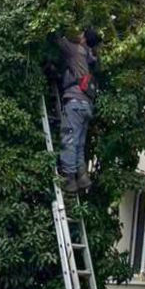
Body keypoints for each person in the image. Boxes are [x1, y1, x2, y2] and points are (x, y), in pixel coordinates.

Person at [56, 26, 100, 192]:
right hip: (86, 105)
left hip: (74, 102)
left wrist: (59, 26)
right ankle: (82, 177)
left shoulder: (76, 50)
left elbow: (59, 41)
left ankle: (69, 179)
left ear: (84, 38)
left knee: (69, 139)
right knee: (79, 143)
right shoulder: (91, 56)